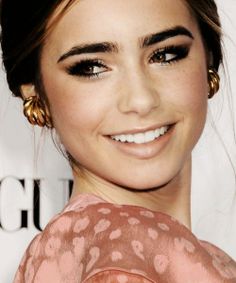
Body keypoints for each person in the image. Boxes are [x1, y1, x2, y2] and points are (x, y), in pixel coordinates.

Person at [0, 0, 236, 282]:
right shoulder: (120, 262)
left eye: (165, 54)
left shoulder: (68, 252)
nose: (141, 100)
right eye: (92, 67)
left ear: (209, 56)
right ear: (35, 92)